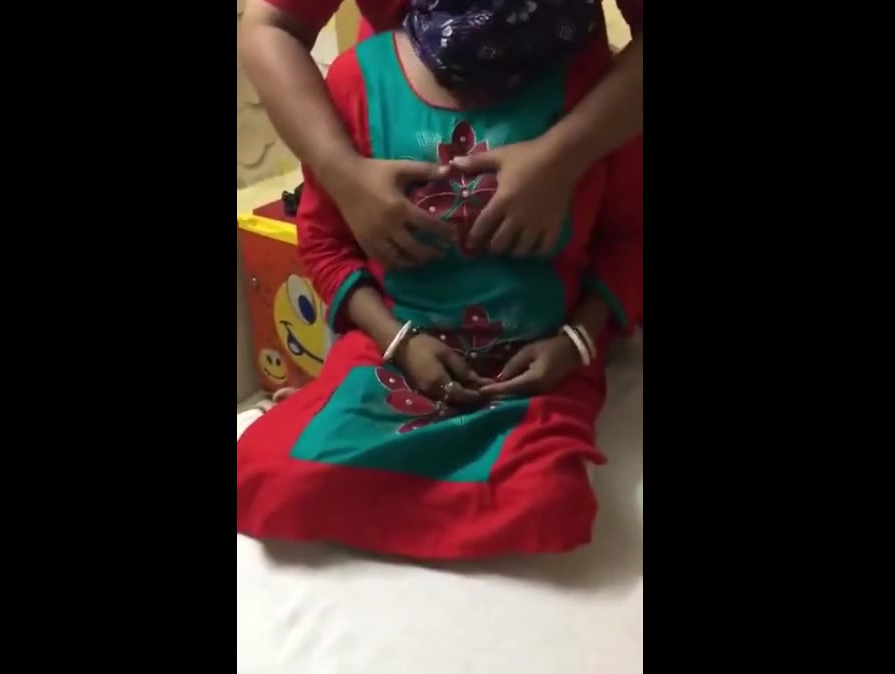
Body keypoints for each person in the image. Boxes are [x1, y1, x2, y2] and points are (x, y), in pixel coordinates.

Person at [235, 4, 642, 559]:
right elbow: (326, 242)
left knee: (547, 502)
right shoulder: (360, 82)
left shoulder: (600, 94)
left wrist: (575, 343)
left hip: (534, 373)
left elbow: (629, 240)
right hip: (393, 354)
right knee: (266, 478)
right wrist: (399, 341)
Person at [238, 0, 642, 268]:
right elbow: (270, 25)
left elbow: (623, 250)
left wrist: (565, 155)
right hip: (390, 152)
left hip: (587, 157)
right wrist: (342, 171)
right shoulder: (363, 83)